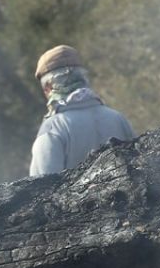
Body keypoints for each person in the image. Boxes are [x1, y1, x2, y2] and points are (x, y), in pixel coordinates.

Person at [29, 44, 135, 176]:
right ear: (83, 78)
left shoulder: (52, 129)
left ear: (48, 88)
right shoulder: (118, 119)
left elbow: (41, 189)